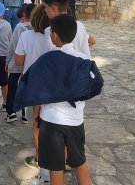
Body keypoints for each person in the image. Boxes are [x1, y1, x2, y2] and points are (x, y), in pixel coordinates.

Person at [38, 14, 91, 185]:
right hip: (75, 119)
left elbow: (38, 88)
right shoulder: (84, 59)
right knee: (80, 161)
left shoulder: (46, 59)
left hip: (51, 119)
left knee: (55, 166)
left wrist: (36, 113)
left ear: (54, 36)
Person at [15, 4, 51, 178]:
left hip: (33, 82)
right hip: (51, 83)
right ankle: (62, 157)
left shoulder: (26, 36)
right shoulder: (53, 37)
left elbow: (19, 61)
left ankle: (40, 157)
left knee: (36, 121)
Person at [5, 3, 35, 123]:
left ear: (24, 15)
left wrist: (7, 61)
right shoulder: (38, 28)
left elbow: (12, 46)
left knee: (12, 86)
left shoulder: (19, 27)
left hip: (17, 61)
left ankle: (11, 112)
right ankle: (24, 113)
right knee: (26, 87)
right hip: (30, 62)